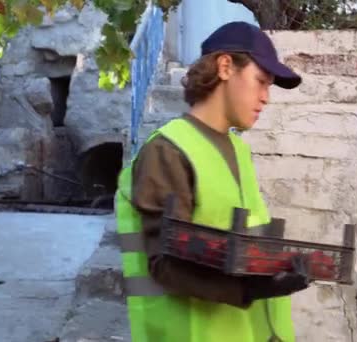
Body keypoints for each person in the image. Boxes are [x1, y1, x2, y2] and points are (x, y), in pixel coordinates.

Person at [115, 21, 308, 342]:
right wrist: (249, 287)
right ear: (225, 67)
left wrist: (277, 267)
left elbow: (241, 245)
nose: (266, 97)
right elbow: (166, 264)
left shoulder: (237, 151)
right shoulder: (168, 150)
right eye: (260, 81)